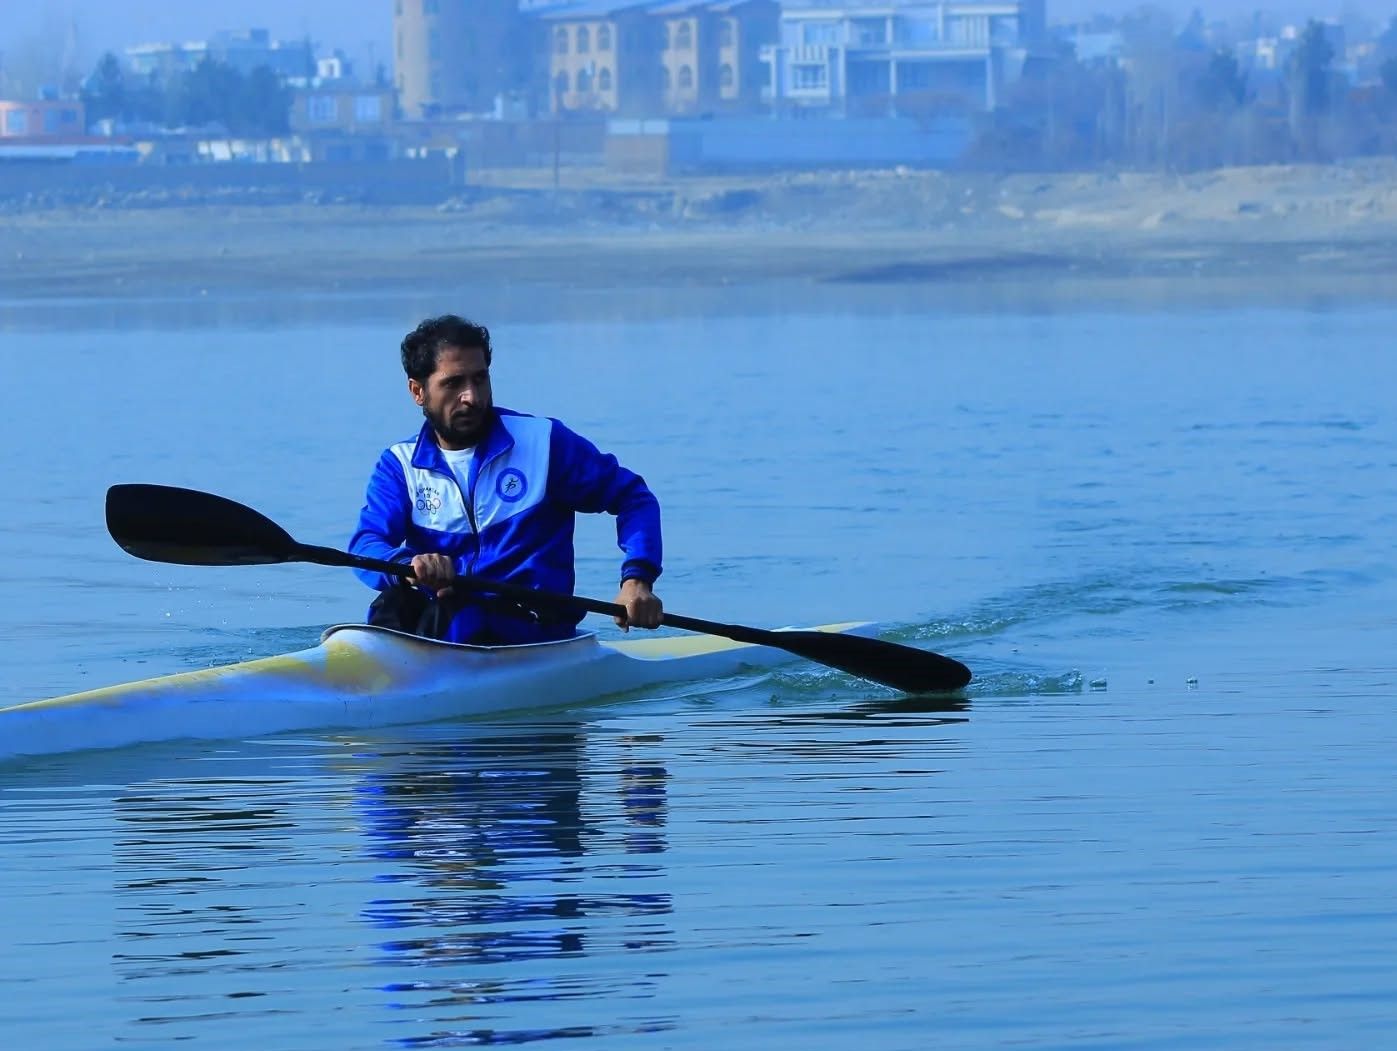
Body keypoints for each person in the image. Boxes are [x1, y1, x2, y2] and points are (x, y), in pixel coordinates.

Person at [350, 314, 663, 645]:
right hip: (445, 618)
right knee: (392, 604)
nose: (472, 396)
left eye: (480, 379)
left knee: (459, 617)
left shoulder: (543, 444)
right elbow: (366, 545)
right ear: (418, 391)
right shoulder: (399, 466)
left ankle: (399, 685)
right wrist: (406, 565)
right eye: (454, 383)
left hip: (530, 625)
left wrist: (637, 580)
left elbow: (633, 498)